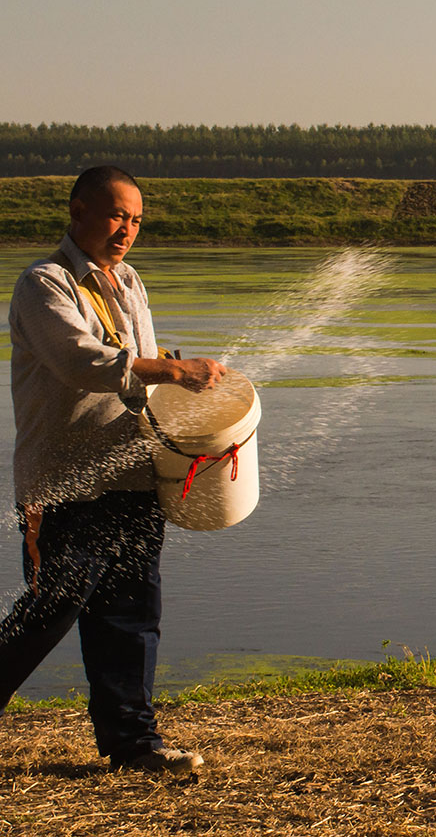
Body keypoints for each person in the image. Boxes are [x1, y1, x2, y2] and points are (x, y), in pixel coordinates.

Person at [0, 166, 226, 773]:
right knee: (49, 611)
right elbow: (84, 362)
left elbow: (142, 375)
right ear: (77, 211)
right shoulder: (44, 283)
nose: (126, 230)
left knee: (132, 614)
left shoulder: (127, 281)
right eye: (115, 215)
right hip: (64, 485)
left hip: (129, 475)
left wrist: (185, 406)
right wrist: (174, 371)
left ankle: (135, 745)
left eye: (136, 220)